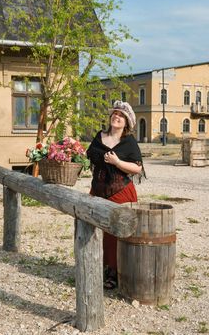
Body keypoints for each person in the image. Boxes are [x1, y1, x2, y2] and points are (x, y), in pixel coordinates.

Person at [87, 100, 144, 289]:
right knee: (90, 228)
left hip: (119, 192)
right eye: (115, 114)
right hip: (97, 189)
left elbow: (137, 168)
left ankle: (115, 272)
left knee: (114, 234)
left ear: (126, 122)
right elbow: (90, 155)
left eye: (121, 115)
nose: (116, 117)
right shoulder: (99, 136)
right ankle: (97, 265)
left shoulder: (128, 142)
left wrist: (117, 162)